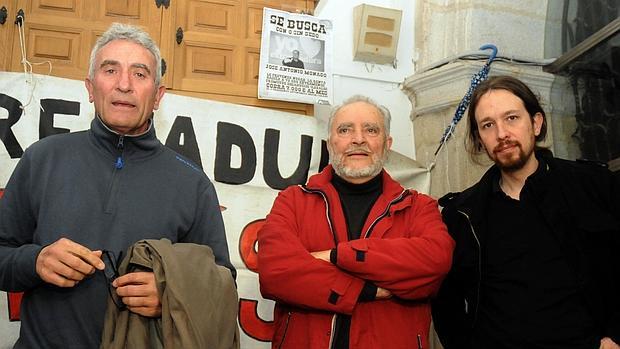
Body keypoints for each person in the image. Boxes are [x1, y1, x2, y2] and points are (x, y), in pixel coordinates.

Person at [0, 22, 235, 348]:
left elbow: (223, 283)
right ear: (90, 87)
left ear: (158, 95)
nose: (124, 85)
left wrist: (172, 296)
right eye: (110, 70)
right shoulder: (42, 159)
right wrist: (35, 262)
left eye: (140, 74)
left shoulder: (193, 184)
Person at [432, 75, 620, 349]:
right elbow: (446, 304)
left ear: (536, 123)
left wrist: (616, 335)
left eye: (511, 118)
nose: (501, 134)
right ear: (480, 138)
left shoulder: (593, 185)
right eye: (488, 125)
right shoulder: (462, 215)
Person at [258, 95, 454, 349]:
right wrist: (366, 290)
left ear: (387, 144)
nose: (358, 139)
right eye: (345, 129)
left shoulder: (419, 207)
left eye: (371, 130)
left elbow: (435, 262)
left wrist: (335, 256)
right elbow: (275, 272)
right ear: (331, 144)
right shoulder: (292, 200)